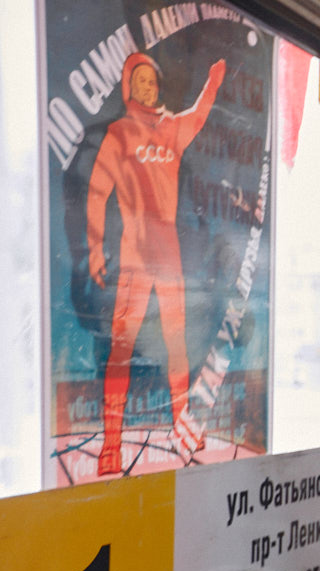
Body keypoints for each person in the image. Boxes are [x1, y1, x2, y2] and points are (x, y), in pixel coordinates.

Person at [87, 52, 226, 474]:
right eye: (140, 81)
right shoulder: (119, 134)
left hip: (168, 257)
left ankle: (181, 427)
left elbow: (199, 114)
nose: (148, 88)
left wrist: (214, 80)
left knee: (176, 342)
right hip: (134, 256)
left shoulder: (170, 128)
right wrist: (95, 247)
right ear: (128, 87)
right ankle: (112, 444)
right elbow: (97, 191)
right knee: (122, 347)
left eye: (152, 81)